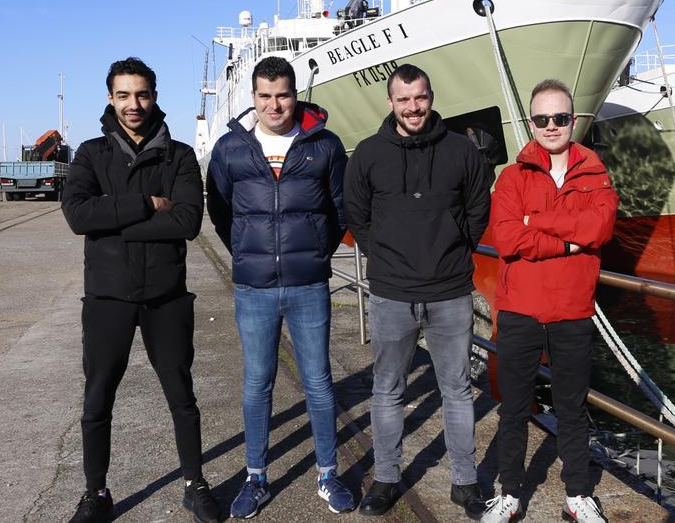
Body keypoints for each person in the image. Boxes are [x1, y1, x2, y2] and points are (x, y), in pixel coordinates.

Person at [61, 57, 219, 523]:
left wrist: (114, 223)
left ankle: (195, 482)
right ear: (111, 98)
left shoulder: (180, 155)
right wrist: (145, 205)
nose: (135, 104)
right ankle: (96, 493)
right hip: (107, 297)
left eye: (143, 94)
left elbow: (188, 222)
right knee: (97, 399)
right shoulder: (91, 154)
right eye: (124, 95)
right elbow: (77, 217)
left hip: (165, 296)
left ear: (154, 95)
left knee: (182, 396)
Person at [206, 56, 355, 517]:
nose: (275, 105)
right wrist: (251, 258)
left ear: (296, 95)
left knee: (318, 381)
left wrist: (313, 254)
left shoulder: (324, 145)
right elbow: (220, 211)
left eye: (283, 95)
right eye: (266, 96)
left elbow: (339, 209)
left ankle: (328, 474)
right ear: (253, 98)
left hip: (308, 284)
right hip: (254, 288)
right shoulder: (230, 149)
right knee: (257, 384)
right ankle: (256, 477)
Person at [344, 64, 491, 519]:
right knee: (388, 390)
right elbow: (357, 215)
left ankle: (464, 483)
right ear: (390, 102)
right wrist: (387, 258)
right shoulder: (368, 154)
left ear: (431, 97)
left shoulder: (461, 150)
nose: (413, 107)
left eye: (420, 97)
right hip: (392, 293)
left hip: (450, 291)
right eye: (404, 99)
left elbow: (477, 208)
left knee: (458, 390)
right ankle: (386, 477)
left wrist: (449, 247)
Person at [482, 79, 618, 523]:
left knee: (573, 407)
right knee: (515, 407)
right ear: (531, 123)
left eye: (560, 118)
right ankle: (509, 492)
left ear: (573, 120)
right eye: (543, 119)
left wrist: (535, 221)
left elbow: (599, 228)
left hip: (572, 307)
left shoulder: (595, 172)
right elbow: (506, 237)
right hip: (521, 307)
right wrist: (566, 242)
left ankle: (577, 494)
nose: (552, 126)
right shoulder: (512, 176)